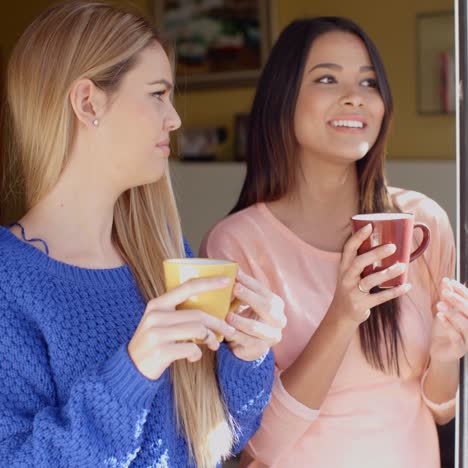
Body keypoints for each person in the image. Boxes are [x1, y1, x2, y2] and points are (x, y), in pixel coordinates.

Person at [0, 1, 287, 467]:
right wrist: (133, 372)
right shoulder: (10, 280)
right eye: (158, 94)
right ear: (88, 102)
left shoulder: (166, 254)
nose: (173, 118)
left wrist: (248, 354)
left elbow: (224, 434)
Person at [201, 17, 468, 468]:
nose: (355, 96)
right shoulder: (238, 245)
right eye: (327, 78)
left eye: (368, 82)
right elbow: (255, 446)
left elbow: (442, 408)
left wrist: (447, 356)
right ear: (282, 101)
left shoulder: (422, 226)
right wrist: (343, 315)